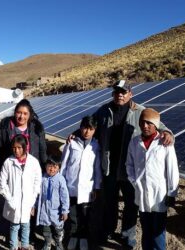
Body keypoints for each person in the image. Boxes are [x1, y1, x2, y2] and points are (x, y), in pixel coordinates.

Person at [68, 80, 174, 248]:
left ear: (130, 93)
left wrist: (168, 133)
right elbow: (90, 124)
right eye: (117, 91)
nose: (120, 94)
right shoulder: (104, 110)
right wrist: (75, 134)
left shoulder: (140, 111)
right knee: (109, 202)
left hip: (131, 168)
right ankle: (109, 229)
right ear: (113, 93)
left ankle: (127, 235)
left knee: (131, 204)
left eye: (124, 92)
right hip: (108, 166)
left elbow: (159, 125)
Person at [126, 108, 179, 250]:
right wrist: (134, 181)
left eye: (149, 123)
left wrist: (172, 193)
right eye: (142, 122)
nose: (145, 126)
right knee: (146, 229)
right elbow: (129, 165)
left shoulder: (164, 143)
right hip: (142, 193)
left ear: (156, 125)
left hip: (159, 195)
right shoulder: (135, 142)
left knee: (158, 231)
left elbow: (172, 169)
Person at [0, 99, 47, 244]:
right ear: (15, 112)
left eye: (25, 113)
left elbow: (42, 148)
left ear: (29, 115)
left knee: (29, 200)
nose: (21, 116)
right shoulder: (6, 126)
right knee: (12, 200)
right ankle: (12, 232)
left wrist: (44, 167)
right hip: (12, 169)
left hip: (31, 169)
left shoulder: (36, 127)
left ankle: (29, 234)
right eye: (19, 112)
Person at [61, 115, 102, 250]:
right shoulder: (71, 143)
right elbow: (64, 165)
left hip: (87, 188)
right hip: (71, 187)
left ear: (95, 130)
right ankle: (73, 236)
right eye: (85, 128)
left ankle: (83, 236)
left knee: (85, 216)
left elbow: (96, 168)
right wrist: (62, 184)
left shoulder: (95, 146)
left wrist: (96, 187)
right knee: (72, 215)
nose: (87, 132)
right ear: (80, 127)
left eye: (91, 129)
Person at [0, 134, 42, 250]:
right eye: (14, 148)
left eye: (19, 148)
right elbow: (2, 183)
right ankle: (13, 246)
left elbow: (38, 181)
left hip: (28, 200)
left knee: (26, 225)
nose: (16, 150)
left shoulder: (33, 162)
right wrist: (10, 199)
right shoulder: (8, 162)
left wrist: (33, 199)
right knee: (14, 226)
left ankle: (25, 246)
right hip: (14, 201)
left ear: (25, 147)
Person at [36, 156, 70, 250]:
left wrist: (65, 210)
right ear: (46, 166)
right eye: (50, 166)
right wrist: (34, 206)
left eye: (55, 167)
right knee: (46, 229)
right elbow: (38, 194)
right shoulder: (42, 178)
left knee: (58, 230)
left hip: (57, 211)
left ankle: (58, 243)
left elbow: (65, 196)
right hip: (45, 210)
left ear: (59, 168)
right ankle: (47, 243)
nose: (52, 169)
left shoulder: (60, 179)